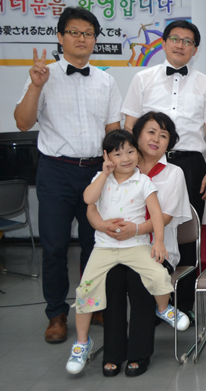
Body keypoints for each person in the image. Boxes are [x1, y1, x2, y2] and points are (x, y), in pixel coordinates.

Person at [14, 6, 122, 344]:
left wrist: (115, 170)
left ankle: (93, 304)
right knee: (55, 245)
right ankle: (56, 313)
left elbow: (113, 130)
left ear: (95, 40)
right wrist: (35, 87)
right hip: (56, 171)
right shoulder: (42, 75)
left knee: (96, 244)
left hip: (95, 172)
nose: (81, 39)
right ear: (60, 38)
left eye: (88, 34)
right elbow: (23, 122)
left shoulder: (106, 81)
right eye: (74, 32)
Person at [121, 20, 206, 319]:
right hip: (146, 163)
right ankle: (149, 306)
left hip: (190, 164)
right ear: (164, 43)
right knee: (144, 228)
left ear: (195, 49)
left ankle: (183, 306)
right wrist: (129, 164)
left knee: (185, 233)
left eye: (187, 41)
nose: (181, 45)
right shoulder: (142, 79)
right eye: (175, 39)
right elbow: (130, 125)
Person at [65, 129, 189, 375]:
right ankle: (82, 343)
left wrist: (159, 242)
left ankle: (163, 309)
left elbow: (156, 214)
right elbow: (89, 199)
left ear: (137, 153)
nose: (125, 158)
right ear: (106, 156)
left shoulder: (143, 181)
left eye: (130, 151)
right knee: (85, 290)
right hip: (105, 248)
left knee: (158, 275)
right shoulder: (100, 179)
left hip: (136, 246)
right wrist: (104, 174)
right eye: (118, 153)